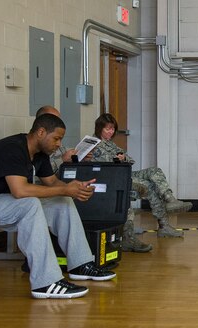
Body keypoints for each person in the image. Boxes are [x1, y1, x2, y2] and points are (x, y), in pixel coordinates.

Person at [0, 114, 115, 299]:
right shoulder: (12, 149)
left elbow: (52, 182)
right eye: (56, 138)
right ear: (40, 132)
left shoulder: (40, 154)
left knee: (62, 202)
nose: (58, 144)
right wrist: (65, 190)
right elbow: (20, 191)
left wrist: (74, 188)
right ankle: (45, 282)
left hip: (1, 202)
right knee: (29, 204)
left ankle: (81, 265)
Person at [35, 106, 151, 253]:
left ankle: (116, 239)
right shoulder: (37, 148)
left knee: (121, 193)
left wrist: (80, 159)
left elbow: (64, 171)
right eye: (53, 119)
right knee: (111, 193)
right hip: (54, 190)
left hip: (68, 184)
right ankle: (84, 247)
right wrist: (63, 161)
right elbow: (44, 177)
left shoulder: (58, 145)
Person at [92, 113, 191, 239]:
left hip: (125, 173)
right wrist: (117, 158)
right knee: (150, 186)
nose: (111, 132)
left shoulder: (110, 144)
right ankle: (164, 226)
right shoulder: (93, 143)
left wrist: (123, 158)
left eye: (113, 129)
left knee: (154, 171)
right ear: (99, 128)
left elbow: (130, 160)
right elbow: (100, 163)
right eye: (108, 129)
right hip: (114, 178)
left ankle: (170, 199)